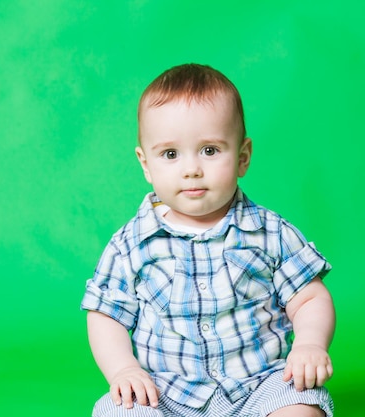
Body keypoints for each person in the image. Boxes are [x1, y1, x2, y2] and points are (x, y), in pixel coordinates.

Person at [81, 63, 335, 417]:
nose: (191, 169)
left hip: (259, 384)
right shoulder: (130, 245)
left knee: (300, 406)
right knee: (121, 411)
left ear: (242, 157)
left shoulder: (270, 232)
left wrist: (309, 343)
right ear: (146, 164)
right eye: (171, 154)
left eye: (210, 150)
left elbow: (308, 298)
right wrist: (124, 369)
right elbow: (106, 315)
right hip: (165, 392)